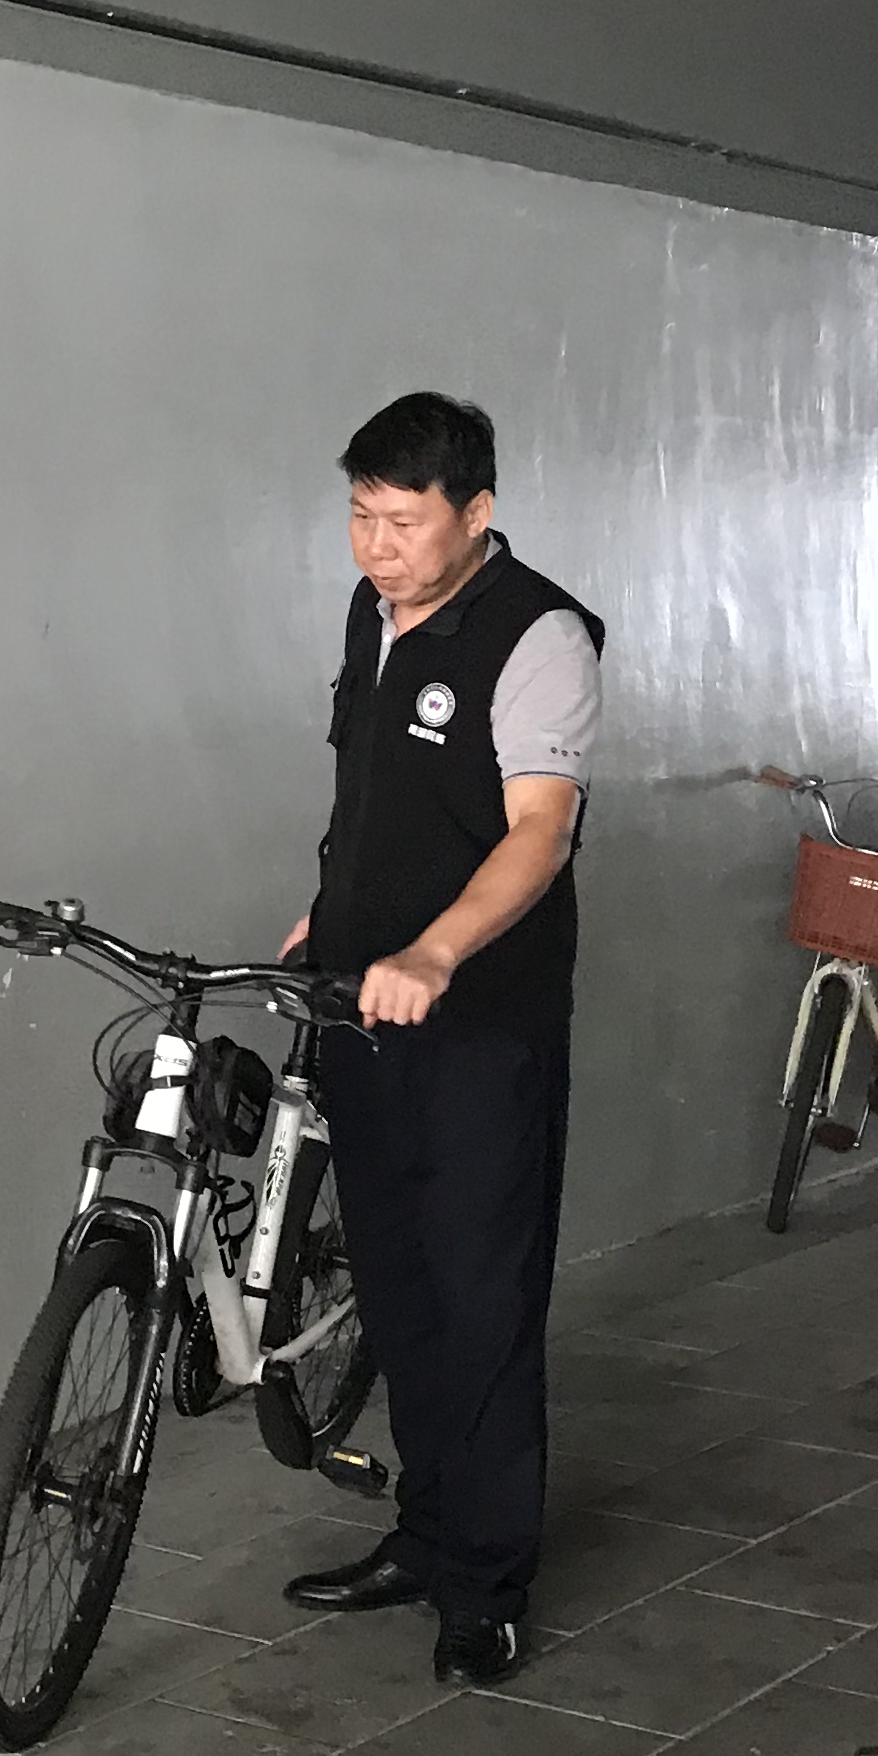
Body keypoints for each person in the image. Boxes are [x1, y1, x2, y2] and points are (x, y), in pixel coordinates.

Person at [278, 391, 602, 1686]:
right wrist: (337, 915)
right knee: (399, 1286)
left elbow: (539, 830)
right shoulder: (376, 614)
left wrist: (435, 952)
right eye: (360, 515)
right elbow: (380, 797)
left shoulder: (540, 635)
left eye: (403, 520)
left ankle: (486, 1582)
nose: (376, 544)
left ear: (477, 513)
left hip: (482, 1030)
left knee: (482, 1297)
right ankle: (426, 1534)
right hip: (363, 1009)